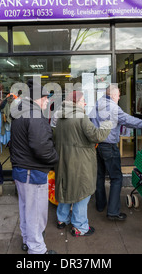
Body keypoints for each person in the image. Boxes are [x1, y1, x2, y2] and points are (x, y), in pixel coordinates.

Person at [90, 84, 142, 221]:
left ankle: (100, 205)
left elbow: (91, 122)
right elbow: (132, 122)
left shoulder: (98, 103)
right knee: (116, 178)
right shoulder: (113, 108)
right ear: (112, 95)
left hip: (97, 145)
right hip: (109, 146)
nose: (119, 98)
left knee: (99, 176)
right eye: (118, 95)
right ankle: (113, 212)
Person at [10, 79, 59, 254]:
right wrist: (55, 158)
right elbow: (41, 147)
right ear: (37, 98)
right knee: (36, 212)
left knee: (26, 209)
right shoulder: (35, 115)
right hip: (33, 171)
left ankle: (28, 240)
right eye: (45, 98)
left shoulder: (20, 112)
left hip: (22, 169)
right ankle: (37, 249)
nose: (47, 101)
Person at [54, 91, 112, 236]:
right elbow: (96, 136)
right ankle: (80, 227)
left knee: (66, 187)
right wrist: (107, 124)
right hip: (80, 162)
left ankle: (62, 219)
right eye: (83, 101)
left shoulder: (59, 117)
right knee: (82, 193)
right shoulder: (81, 117)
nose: (85, 103)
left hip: (63, 160)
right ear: (76, 102)